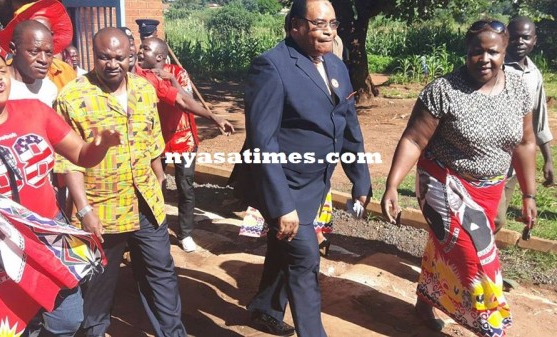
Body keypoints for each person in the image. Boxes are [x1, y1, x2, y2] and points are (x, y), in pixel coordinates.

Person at [381, 20, 537, 337]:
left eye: (492, 51)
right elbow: (413, 140)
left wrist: (529, 195)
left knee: (447, 248)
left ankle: (426, 299)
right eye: (475, 51)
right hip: (442, 182)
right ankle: (492, 329)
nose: (484, 58)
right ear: (466, 52)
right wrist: (392, 185)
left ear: (504, 51)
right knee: (480, 262)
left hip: (490, 188)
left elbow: (525, 142)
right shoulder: (444, 90)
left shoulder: (520, 89)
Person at [0, 39, 121, 337]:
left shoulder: (36, 111)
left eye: (1, 69)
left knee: (68, 319)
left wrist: (101, 144)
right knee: (13, 323)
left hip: (48, 234)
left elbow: (82, 155)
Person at [234, 0, 371, 335]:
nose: (327, 31)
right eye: (318, 24)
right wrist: (282, 207)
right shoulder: (271, 67)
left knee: (285, 251)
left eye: (333, 24)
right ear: (295, 26)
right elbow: (262, 143)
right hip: (282, 183)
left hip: (316, 183)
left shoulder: (336, 66)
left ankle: (265, 307)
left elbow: (348, 124)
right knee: (305, 259)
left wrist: (360, 179)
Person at [55, 27, 187, 337]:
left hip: (145, 202)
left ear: (130, 56)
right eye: (104, 57)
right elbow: (67, 159)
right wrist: (84, 209)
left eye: (119, 57)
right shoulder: (73, 97)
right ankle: (95, 331)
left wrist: (159, 175)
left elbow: (153, 137)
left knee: (161, 274)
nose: (112, 64)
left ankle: (172, 333)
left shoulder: (143, 89)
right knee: (100, 281)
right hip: (102, 207)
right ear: (93, 55)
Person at [136, 36, 234, 252]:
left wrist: (172, 80)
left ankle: (185, 233)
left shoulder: (177, 71)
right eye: (140, 47)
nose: (140, 51)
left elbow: (187, 99)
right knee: (155, 184)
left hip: (183, 139)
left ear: (160, 55)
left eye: (145, 48)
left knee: (185, 187)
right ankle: (155, 229)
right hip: (155, 140)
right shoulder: (138, 75)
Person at [495, 16, 553, 232]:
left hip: (515, 161)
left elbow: (539, 120)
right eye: (515, 36)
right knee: (495, 218)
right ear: (506, 38)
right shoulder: (494, 67)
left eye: (526, 37)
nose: (520, 42)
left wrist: (548, 160)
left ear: (534, 40)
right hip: (490, 156)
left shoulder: (534, 74)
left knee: (496, 218)